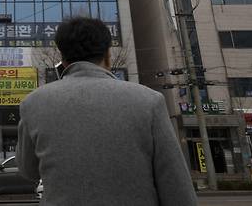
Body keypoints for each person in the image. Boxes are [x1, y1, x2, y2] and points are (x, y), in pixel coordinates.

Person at [17, 17, 197, 205]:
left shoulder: (33, 104)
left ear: (62, 57)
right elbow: (176, 186)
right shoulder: (149, 101)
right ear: (107, 55)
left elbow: (28, 171)